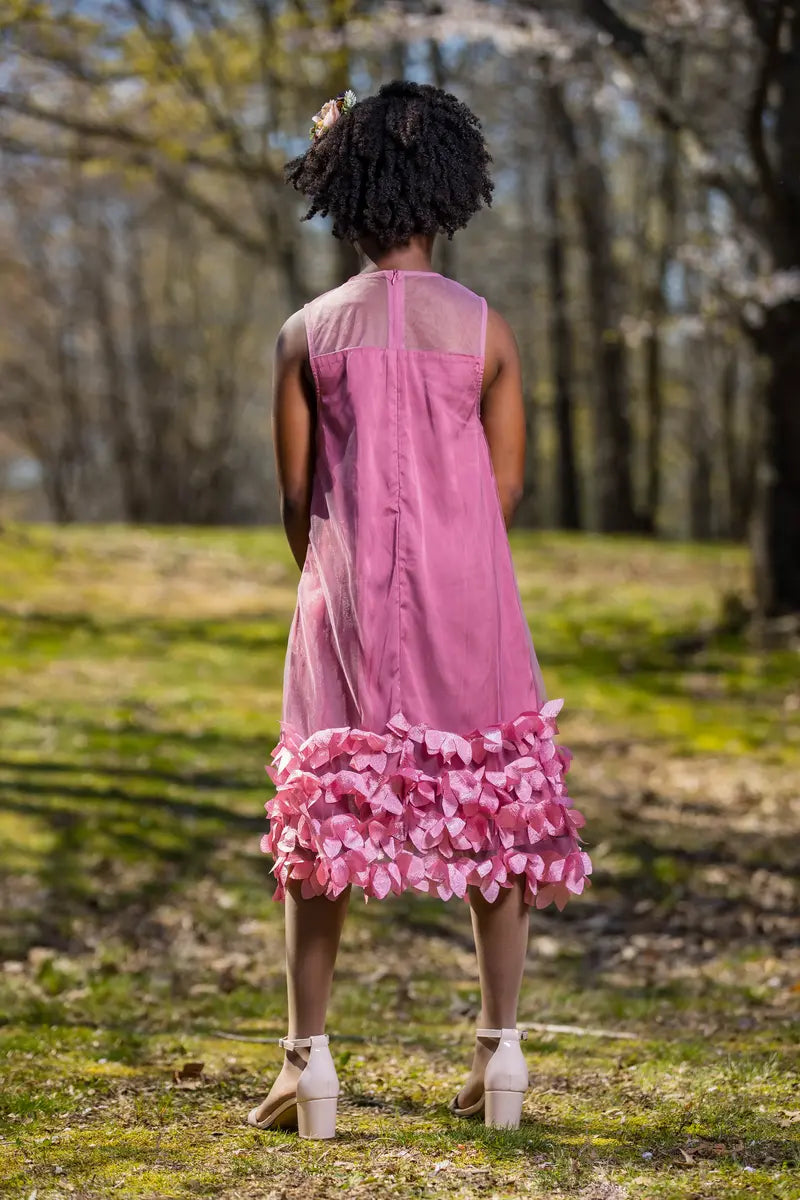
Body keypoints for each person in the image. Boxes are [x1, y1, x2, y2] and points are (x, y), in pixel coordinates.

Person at [248, 80, 592, 1139]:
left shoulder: (306, 334)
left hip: (344, 601)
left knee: (327, 824)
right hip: (469, 598)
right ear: (448, 195)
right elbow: (506, 488)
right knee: (492, 809)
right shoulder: (485, 331)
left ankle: (308, 1065)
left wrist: (339, 572)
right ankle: (501, 1056)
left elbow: (298, 501)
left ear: (340, 197)